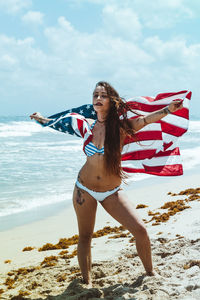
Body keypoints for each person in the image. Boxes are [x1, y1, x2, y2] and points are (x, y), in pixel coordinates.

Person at [30, 81, 184, 286]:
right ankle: (88, 282)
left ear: (112, 102)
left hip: (111, 192)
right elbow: (59, 123)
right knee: (85, 236)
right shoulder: (86, 125)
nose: (98, 99)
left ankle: (150, 272)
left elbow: (145, 120)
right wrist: (41, 118)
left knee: (140, 230)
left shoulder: (120, 128)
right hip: (84, 189)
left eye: (103, 96)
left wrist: (167, 109)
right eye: (95, 95)